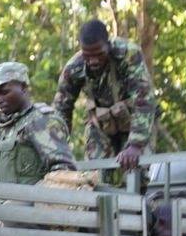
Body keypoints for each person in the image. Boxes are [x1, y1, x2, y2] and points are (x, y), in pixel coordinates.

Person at [0, 61, 77, 236]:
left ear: (23, 88)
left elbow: (65, 172)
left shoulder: (41, 121)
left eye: (4, 91)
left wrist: (25, 203)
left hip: (28, 219)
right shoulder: (2, 129)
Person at [53, 19, 158, 174]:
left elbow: (143, 98)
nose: (93, 61)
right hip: (100, 125)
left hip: (135, 121)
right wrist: (59, 149)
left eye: (99, 54)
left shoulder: (128, 54)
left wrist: (135, 144)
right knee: (94, 176)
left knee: (137, 172)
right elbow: (61, 110)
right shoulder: (73, 68)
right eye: (88, 55)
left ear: (108, 45)